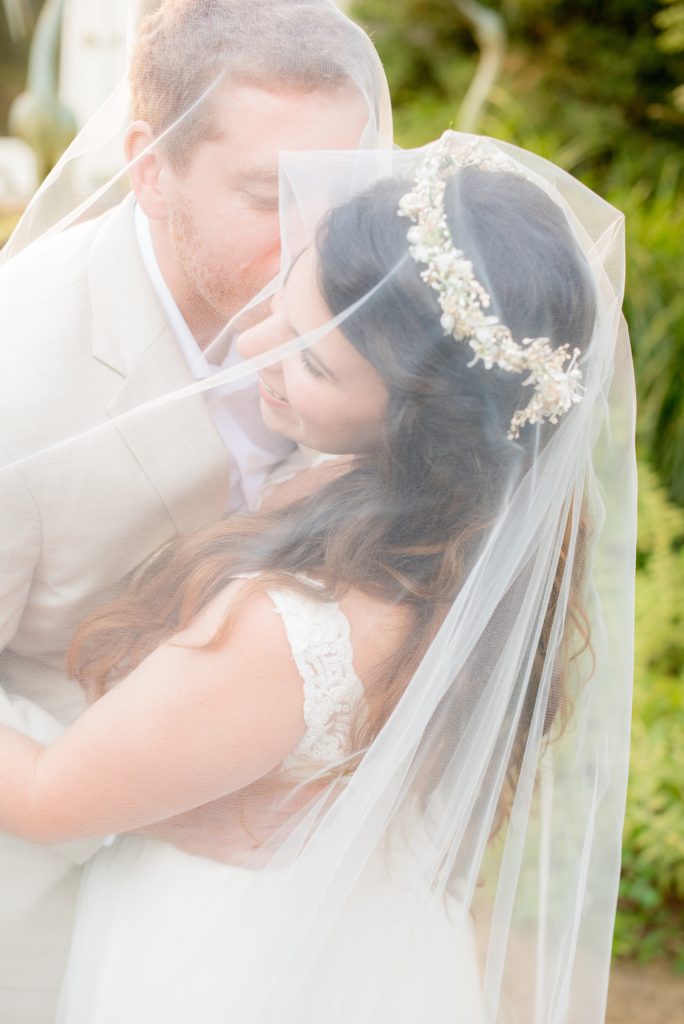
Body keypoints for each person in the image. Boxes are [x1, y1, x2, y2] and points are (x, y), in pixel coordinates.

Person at [0, 133, 636, 1022]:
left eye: (310, 359)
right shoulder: (476, 533)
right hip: (367, 945)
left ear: (424, 421)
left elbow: (40, 796)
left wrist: (137, 803)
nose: (253, 344)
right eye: (284, 296)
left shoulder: (296, 629)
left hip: (219, 965)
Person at [0, 2, 391, 1020]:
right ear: (149, 164)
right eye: (269, 194)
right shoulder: (18, 376)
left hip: (294, 918)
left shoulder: (378, 321)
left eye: (338, 188)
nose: (318, 233)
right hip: (45, 907)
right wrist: (128, 793)